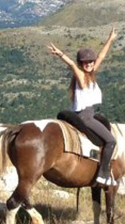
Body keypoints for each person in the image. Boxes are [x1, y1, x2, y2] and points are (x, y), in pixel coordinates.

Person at [47, 28, 119, 187]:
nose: (89, 64)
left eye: (91, 62)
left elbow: (101, 56)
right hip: (85, 116)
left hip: (87, 114)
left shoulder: (91, 73)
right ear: (81, 64)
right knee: (111, 141)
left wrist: (110, 39)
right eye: (86, 63)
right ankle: (103, 174)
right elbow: (72, 64)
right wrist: (60, 54)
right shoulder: (80, 75)